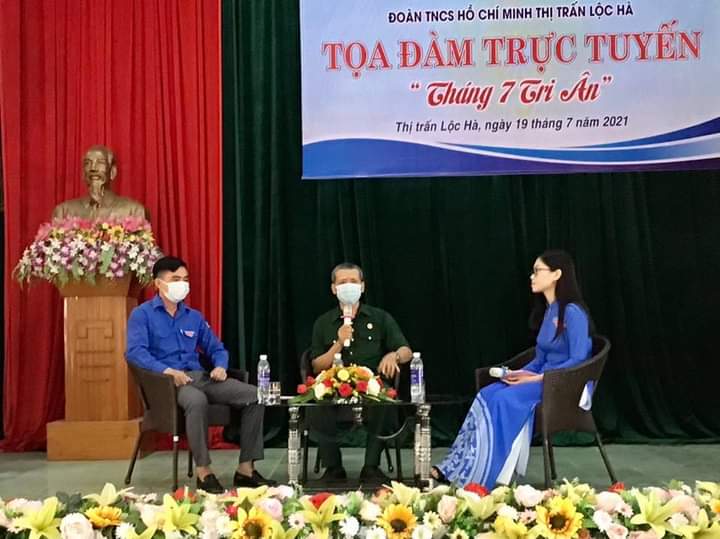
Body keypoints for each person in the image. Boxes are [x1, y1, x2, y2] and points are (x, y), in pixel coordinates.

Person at [433, 250, 593, 487]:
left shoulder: (573, 312)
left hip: (562, 386)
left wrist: (537, 378)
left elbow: (578, 359)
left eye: (537, 271)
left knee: (503, 399)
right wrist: (519, 373)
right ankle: (456, 466)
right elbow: (540, 358)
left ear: (557, 274)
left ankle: (483, 476)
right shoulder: (550, 310)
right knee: (488, 393)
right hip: (542, 380)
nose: (532, 276)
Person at [125, 256, 272, 493]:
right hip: (168, 384)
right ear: (158, 284)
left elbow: (216, 348)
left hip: (200, 377)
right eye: (175, 279)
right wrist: (167, 371)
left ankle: (246, 468)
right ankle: (204, 472)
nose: (182, 284)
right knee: (196, 400)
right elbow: (135, 352)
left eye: (185, 279)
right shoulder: (142, 315)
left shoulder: (193, 317)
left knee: (255, 395)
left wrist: (220, 366)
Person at [308, 262, 413, 482]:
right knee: (317, 403)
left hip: (371, 384)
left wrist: (393, 355)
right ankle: (333, 468)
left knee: (384, 399)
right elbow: (317, 366)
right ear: (334, 288)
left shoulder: (380, 317)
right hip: (334, 384)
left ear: (362, 286)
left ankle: (371, 467)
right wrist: (339, 342)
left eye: (353, 281)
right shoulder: (323, 322)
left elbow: (406, 351)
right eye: (342, 282)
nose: (348, 286)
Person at [52, 145, 149, 220]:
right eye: (87, 163)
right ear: (83, 173)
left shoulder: (133, 211)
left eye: (100, 162)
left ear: (112, 172)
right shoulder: (64, 212)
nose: (93, 168)